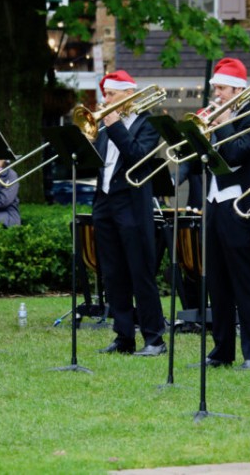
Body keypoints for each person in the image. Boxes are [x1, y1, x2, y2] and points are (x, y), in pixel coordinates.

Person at [92, 70, 166, 357]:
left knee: (140, 272)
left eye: (111, 95)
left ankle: (154, 339)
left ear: (128, 95)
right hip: (105, 201)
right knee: (113, 274)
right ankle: (123, 336)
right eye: (105, 94)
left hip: (132, 204)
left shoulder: (148, 124)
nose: (105, 100)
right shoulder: (105, 126)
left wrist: (114, 126)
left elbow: (137, 156)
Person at [203, 58, 250, 370]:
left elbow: (235, 154)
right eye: (216, 87)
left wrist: (224, 121)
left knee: (246, 283)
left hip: (241, 205)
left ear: (240, 89)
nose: (217, 93)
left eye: (223, 88)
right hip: (215, 202)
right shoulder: (219, 114)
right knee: (218, 282)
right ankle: (222, 350)